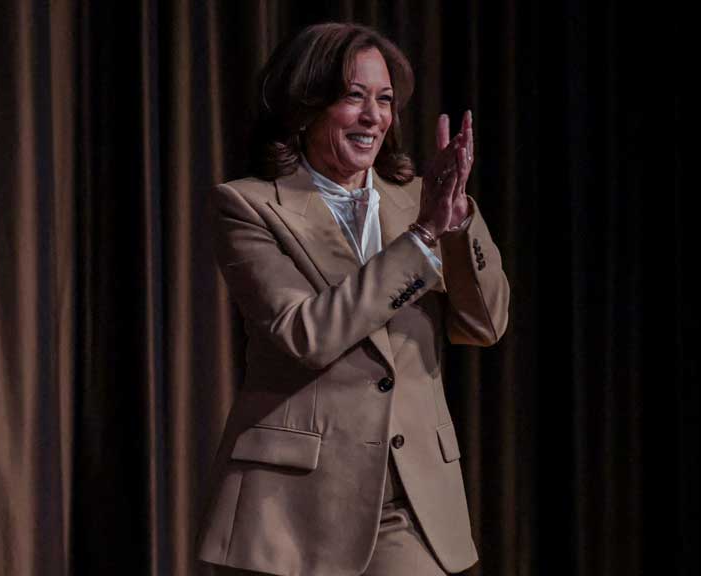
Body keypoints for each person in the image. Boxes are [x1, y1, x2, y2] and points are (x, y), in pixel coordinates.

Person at [196, 22, 509, 576]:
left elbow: (484, 324)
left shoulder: (424, 202)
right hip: (293, 505)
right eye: (352, 96)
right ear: (306, 105)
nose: (373, 117)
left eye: (384, 99)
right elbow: (304, 333)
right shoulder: (249, 206)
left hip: (407, 498)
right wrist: (422, 241)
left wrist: (457, 226)